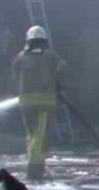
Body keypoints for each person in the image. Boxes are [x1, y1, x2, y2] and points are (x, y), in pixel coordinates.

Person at [12, 25, 65, 180]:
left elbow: (15, 73)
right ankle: (34, 170)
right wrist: (58, 84)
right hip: (45, 103)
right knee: (40, 137)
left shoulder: (20, 57)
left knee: (32, 135)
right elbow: (62, 68)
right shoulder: (50, 56)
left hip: (25, 102)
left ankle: (37, 166)